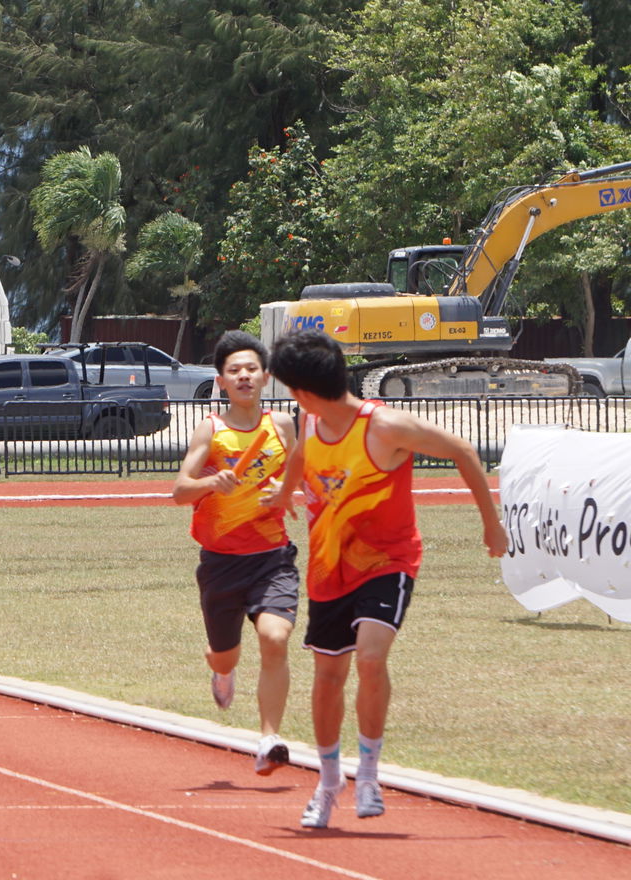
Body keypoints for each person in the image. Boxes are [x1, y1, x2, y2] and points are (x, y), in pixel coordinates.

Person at [267, 328, 506, 828]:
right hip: (329, 568)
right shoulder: (311, 421)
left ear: (303, 390)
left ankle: (370, 774)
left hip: (387, 562)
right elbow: (302, 455)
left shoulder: (385, 426)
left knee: (371, 658)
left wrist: (491, 524)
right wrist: (284, 492)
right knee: (328, 676)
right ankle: (329, 781)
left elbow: (463, 450)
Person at [171, 330, 297, 776]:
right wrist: (211, 482)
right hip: (222, 563)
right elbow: (180, 491)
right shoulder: (212, 429)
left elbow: (303, 475)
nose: (244, 376)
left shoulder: (282, 425)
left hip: (272, 557)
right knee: (225, 655)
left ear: (265, 376)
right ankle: (222, 670)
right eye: (234, 371)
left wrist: (287, 490)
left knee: (275, 638)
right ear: (221, 381)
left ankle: (269, 740)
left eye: (251, 369)